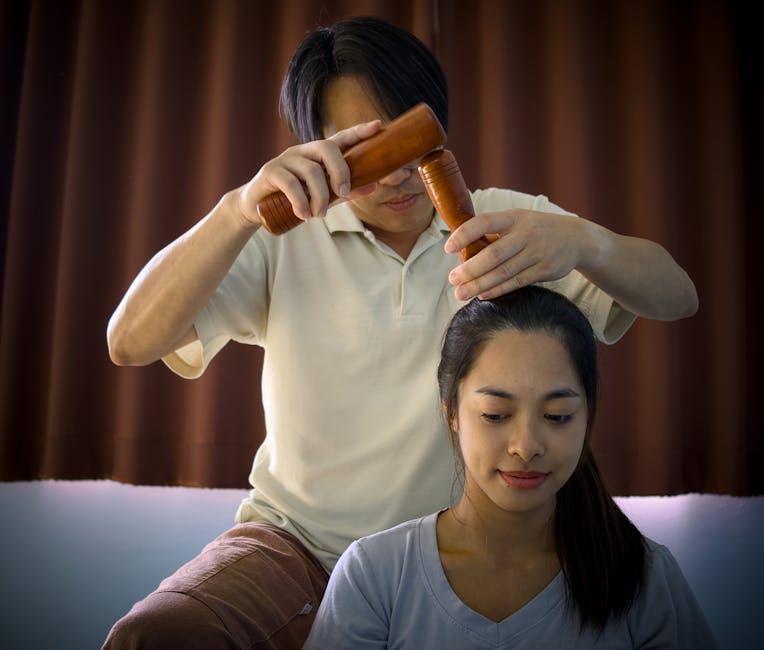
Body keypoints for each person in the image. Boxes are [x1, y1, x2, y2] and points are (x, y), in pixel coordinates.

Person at [104, 15, 698, 650]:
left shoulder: (505, 223)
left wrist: (586, 243)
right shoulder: (281, 240)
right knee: (154, 636)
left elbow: (678, 297)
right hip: (297, 544)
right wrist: (235, 211)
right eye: (366, 151)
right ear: (317, 149)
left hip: (447, 553)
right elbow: (129, 341)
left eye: (408, 140)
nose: (395, 176)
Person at [303, 285, 716, 649]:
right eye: (496, 415)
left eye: (557, 416)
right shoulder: (375, 575)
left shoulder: (643, 576)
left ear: (587, 415)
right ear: (452, 412)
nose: (526, 447)